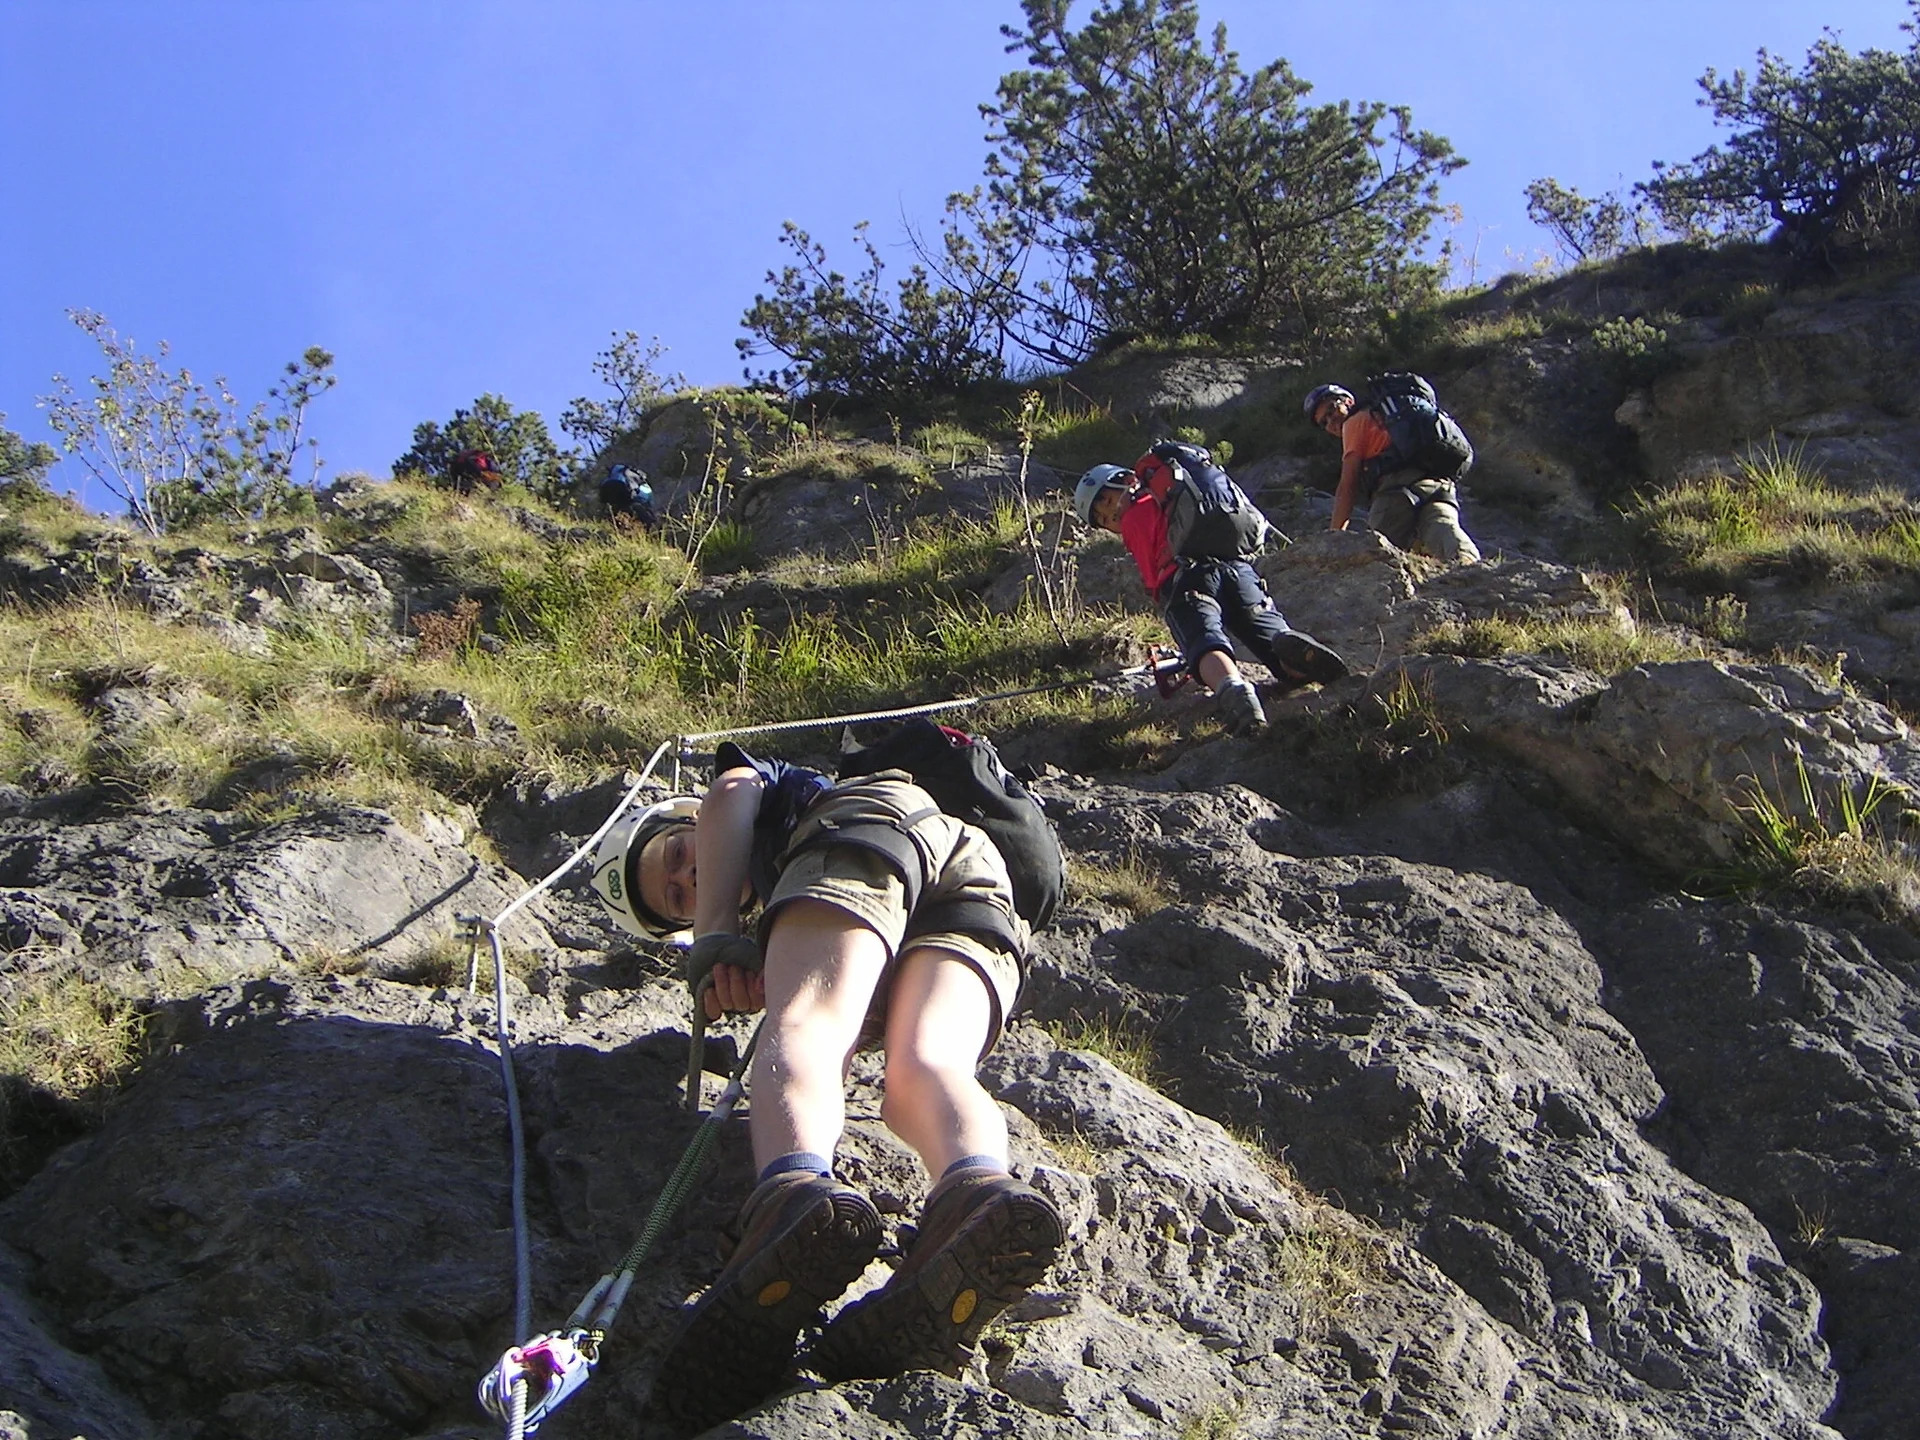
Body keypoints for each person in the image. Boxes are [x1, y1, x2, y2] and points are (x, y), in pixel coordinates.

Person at [589, 745, 1066, 1431]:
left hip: (868, 828)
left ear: (680, 821)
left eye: (675, 856)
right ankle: (978, 1196)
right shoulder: (780, 894)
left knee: (808, 1025)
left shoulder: (769, 803)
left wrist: (715, 931)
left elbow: (729, 790)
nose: (691, 876)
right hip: (980, 873)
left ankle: (795, 1194)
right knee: (924, 1072)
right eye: (679, 898)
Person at [1075, 460, 1348, 737]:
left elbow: (1153, 576)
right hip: (1237, 569)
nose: (1113, 513)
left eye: (1108, 500)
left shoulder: (1135, 515)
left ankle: (1234, 690)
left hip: (1186, 578)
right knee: (1262, 627)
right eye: (1106, 519)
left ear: (1129, 480)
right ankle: (1289, 653)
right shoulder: (1174, 494)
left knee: (1203, 641)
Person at [1304, 382, 1482, 564]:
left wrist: (1335, 536)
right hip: (1436, 481)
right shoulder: (1384, 417)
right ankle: (1472, 567)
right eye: (1324, 422)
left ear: (1348, 402)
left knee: (1375, 556)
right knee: (1441, 524)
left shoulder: (1355, 423)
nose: (1331, 422)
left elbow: (1348, 485)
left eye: (1331, 410)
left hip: (1395, 492)